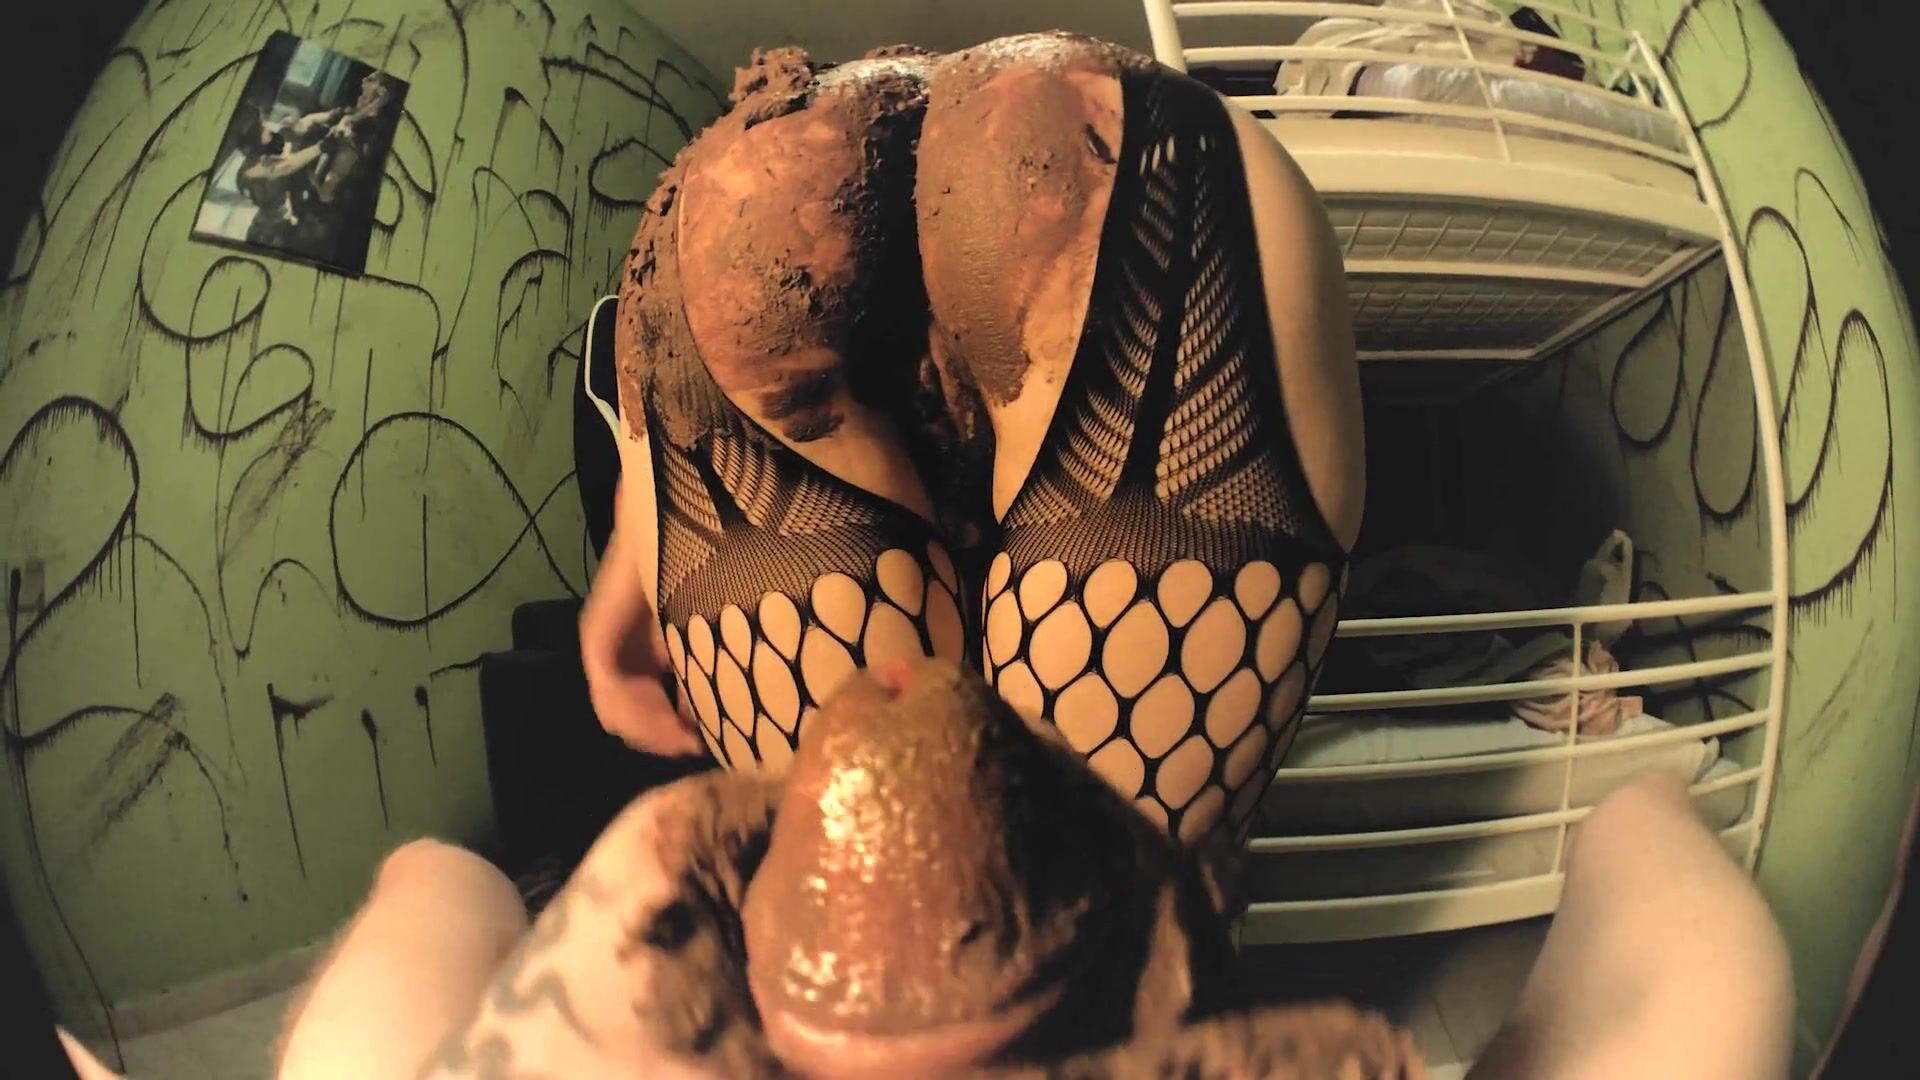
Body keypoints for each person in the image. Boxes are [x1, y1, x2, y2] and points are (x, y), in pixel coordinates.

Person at [66, 35, 1799, 1078]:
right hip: (860, 282)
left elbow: (1675, 918)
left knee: (1114, 856)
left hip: (1071, 247)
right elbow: (435, 894)